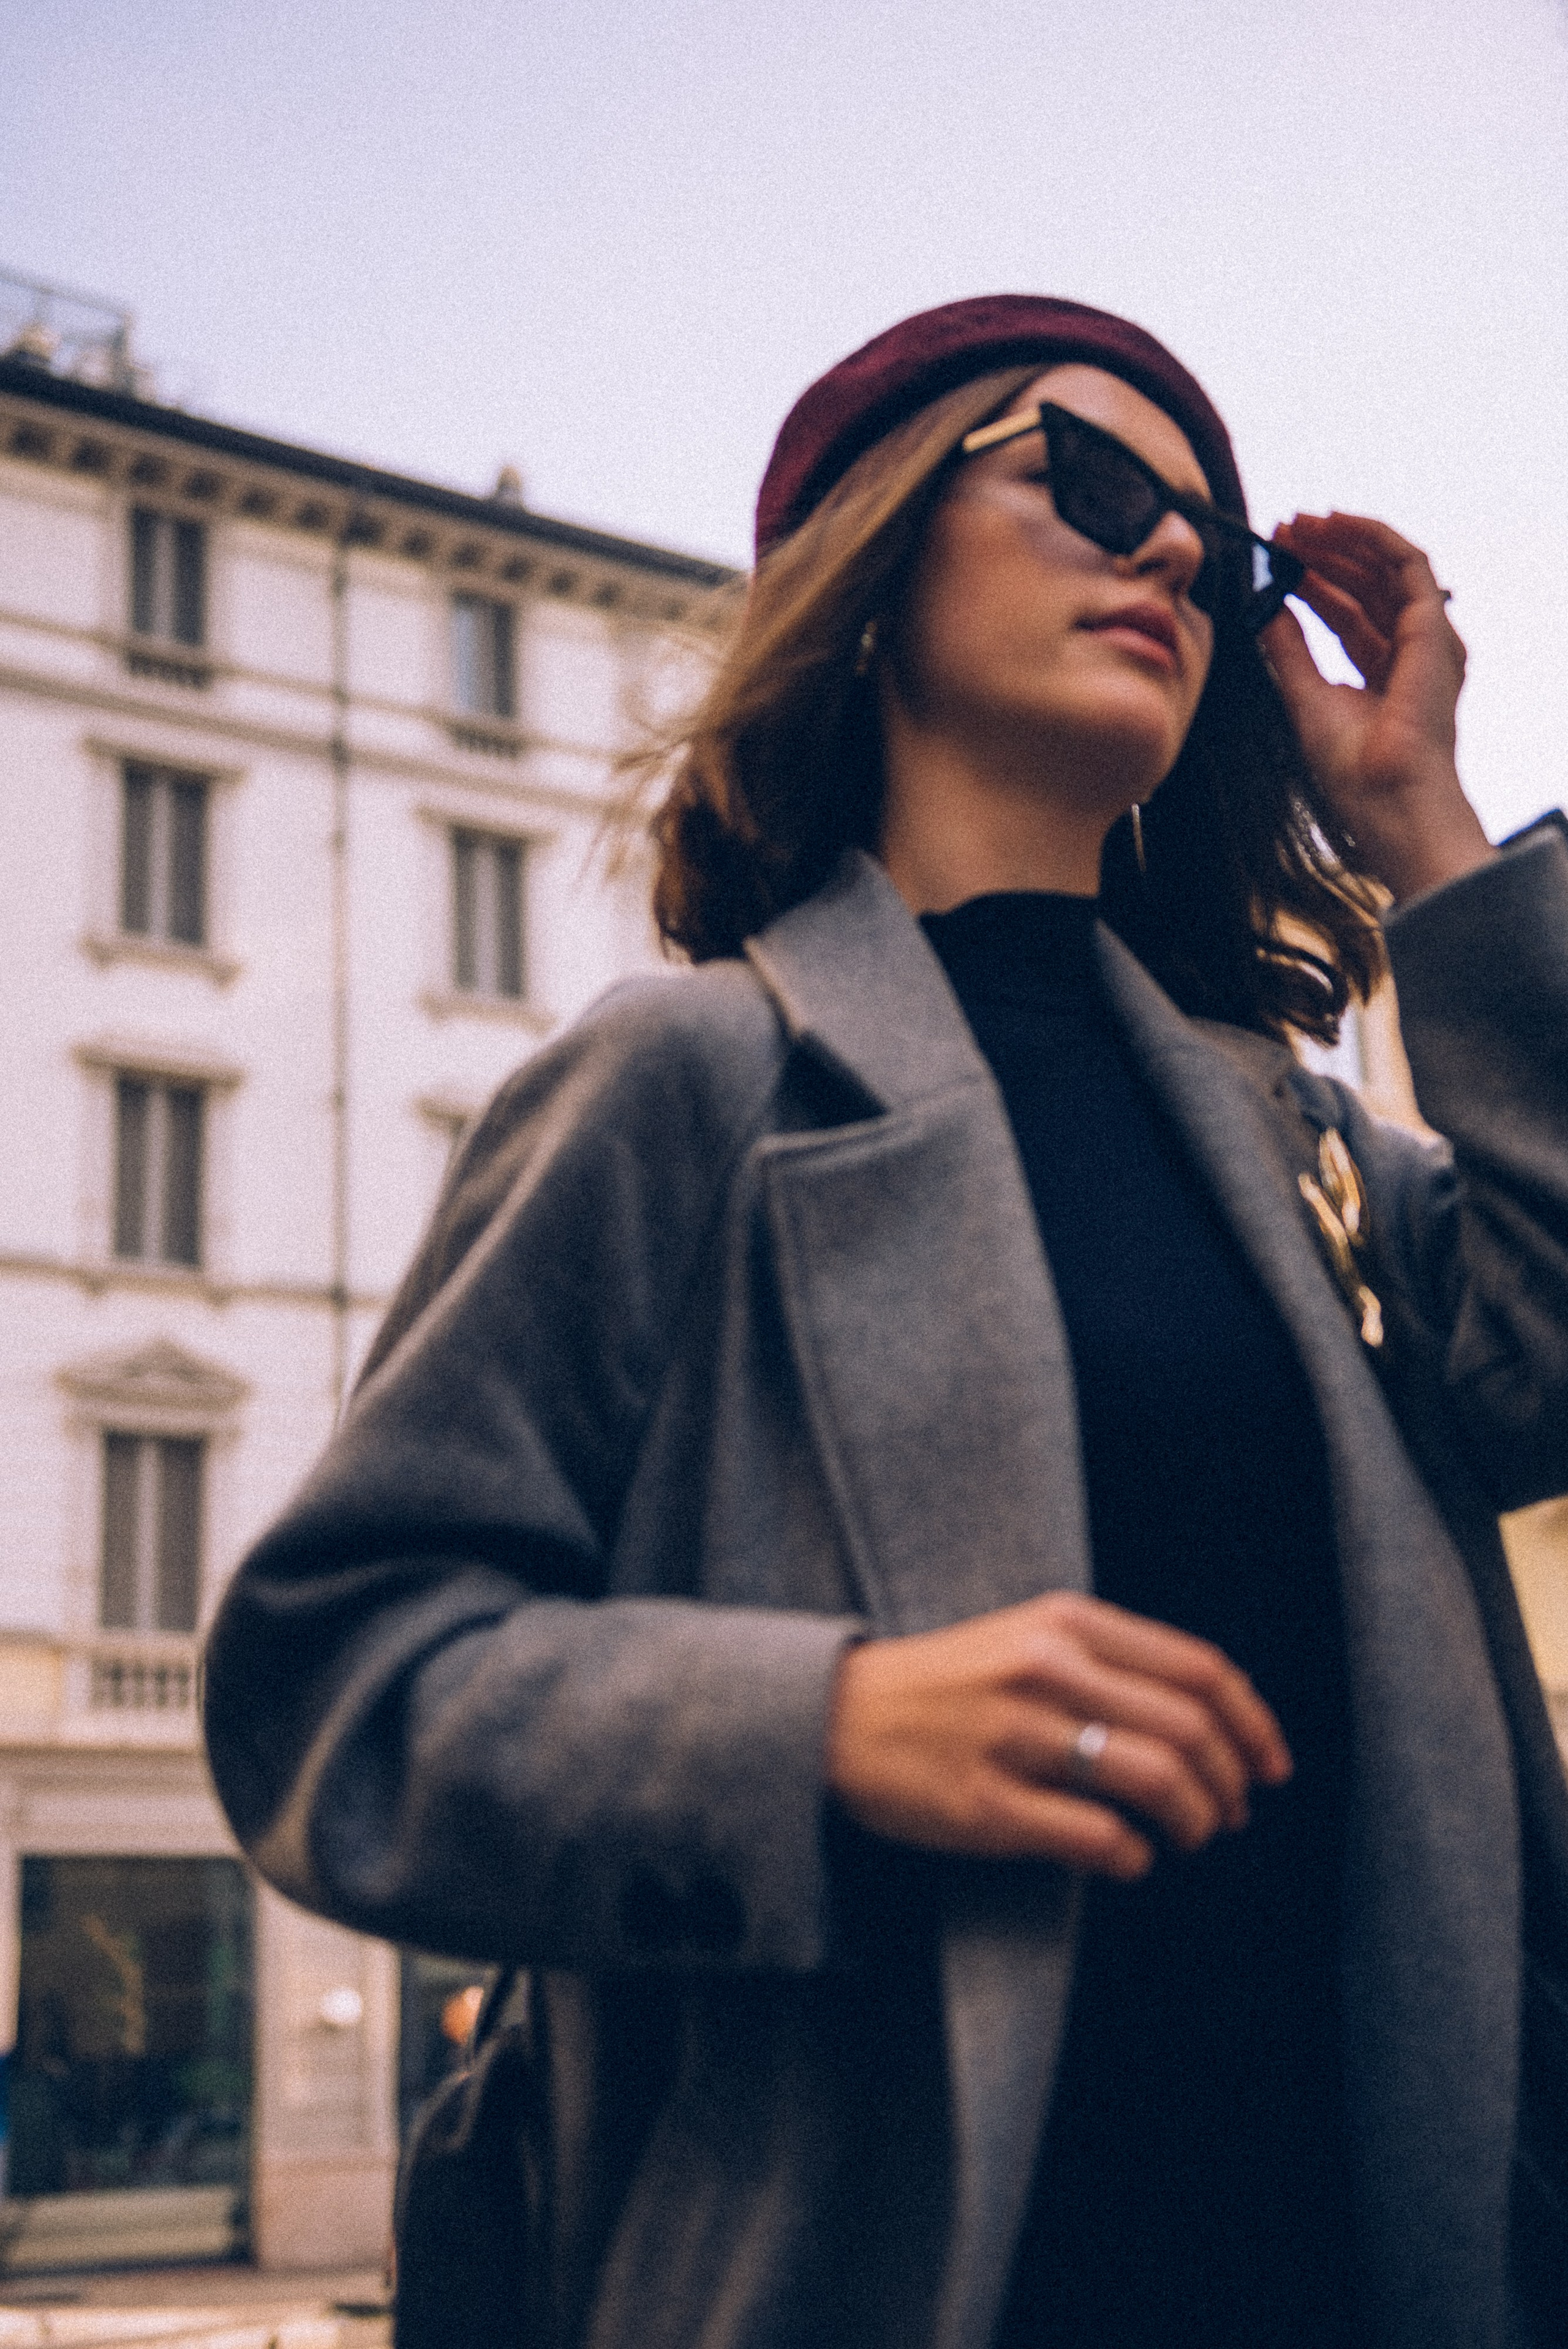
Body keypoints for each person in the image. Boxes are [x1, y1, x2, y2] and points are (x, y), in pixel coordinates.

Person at [202, 297, 1568, 2349]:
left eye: (1223, 537)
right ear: (872, 554)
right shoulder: (687, 1083)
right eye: (1095, 486)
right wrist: (827, 1731)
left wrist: (1428, 833)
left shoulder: (1307, 1148)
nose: (1181, 552)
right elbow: (328, 1682)